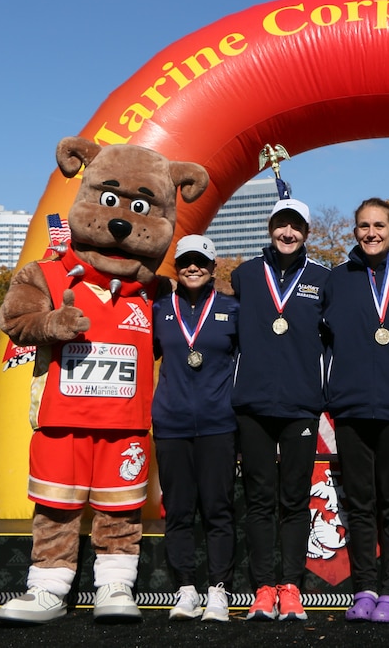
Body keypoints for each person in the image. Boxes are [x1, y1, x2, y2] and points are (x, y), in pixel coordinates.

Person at [321, 197, 389, 623]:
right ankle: (364, 588)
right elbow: (320, 342)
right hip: (349, 410)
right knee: (361, 505)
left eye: (379, 225)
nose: (371, 233)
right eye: (364, 226)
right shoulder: (336, 280)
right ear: (355, 231)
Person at [231, 198, 329, 622]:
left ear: (307, 233)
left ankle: (290, 585)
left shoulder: (325, 281)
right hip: (252, 405)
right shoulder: (245, 275)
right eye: (280, 226)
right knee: (258, 501)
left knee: (293, 500)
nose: (287, 233)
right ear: (270, 229)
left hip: (300, 406)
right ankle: (262, 587)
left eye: (296, 227)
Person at [150, 234, 240, 623]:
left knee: (218, 510)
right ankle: (186, 587)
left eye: (200, 262)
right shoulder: (157, 309)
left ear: (212, 268)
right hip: (171, 424)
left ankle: (219, 589)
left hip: (220, 424)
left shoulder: (232, 309)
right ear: (177, 266)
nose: (192, 267)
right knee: (180, 511)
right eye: (185, 261)